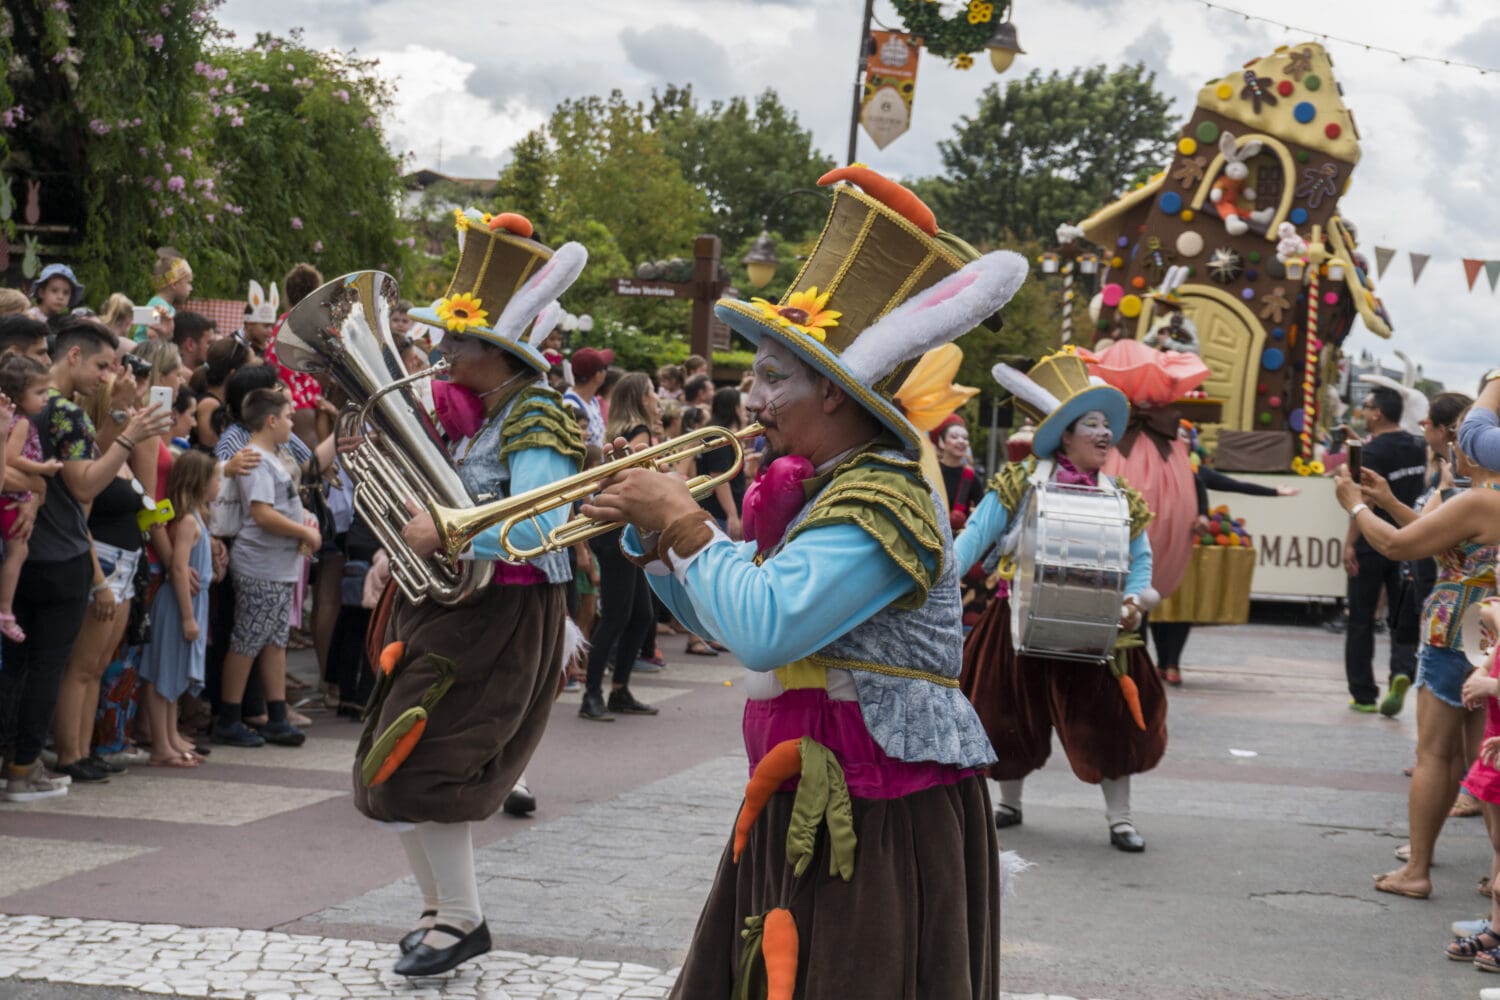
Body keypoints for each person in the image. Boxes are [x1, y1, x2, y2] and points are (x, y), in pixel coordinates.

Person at [584, 170, 1023, 998]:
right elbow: (737, 610)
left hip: (879, 810)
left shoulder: (881, 494)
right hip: (807, 796)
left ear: (833, 388)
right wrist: (655, 544)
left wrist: (686, 525)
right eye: (752, 378)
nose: (750, 399)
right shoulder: (827, 488)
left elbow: (765, 629)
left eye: (771, 378)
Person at [351, 209, 587, 978]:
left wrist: (446, 535)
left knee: (431, 761)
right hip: (456, 606)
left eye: (454, 339)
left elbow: (543, 523)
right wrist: (400, 546)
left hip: (505, 614)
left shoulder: (538, 416)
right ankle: (439, 911)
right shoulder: (486, 418)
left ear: (499, 349)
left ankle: (461, 919)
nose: (440, 350)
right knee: (390, 762)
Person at [956, 351, 1164, 852]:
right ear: (1065, 435)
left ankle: (1121, 818)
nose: (1103, 433)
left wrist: (1135, 600)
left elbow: (1140, 560)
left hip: (1100, 626)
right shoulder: (1020, 483)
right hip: (1017, 618)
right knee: (999, 713)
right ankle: (1009, 802)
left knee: (1112, 719)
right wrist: (933, 582)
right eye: (1091, 424)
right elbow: (973, 539)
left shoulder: (1121, 497)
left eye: (1107, 425)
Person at [0, 318, 170, 801]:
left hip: (23, 550)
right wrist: (129, 437)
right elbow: (85, 483)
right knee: (46, 668)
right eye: (100, 365)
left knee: (14, 666)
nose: (105, 375)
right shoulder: (63, 411)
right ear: (71, 357)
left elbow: (69, 465)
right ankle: (24, 769)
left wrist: (117, 418)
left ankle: (11, 758)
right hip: (61, 557)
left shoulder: (20, 401)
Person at [1336, 418, 1500, 901]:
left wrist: (1357, 506)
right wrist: (1386, 500)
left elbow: (1395, 546)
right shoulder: (1484, 505)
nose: (1452, 454)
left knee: (1434, 755)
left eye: (1459, 445)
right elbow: (1439, 537)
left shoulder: (1477, 499)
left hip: (1456, 630)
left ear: (1472, 455)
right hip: (1491, 636)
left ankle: (1418, 870)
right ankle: (1496, 871)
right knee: (1484, 758)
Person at [213, 388, 319, 748]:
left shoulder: (270, 456)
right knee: (247, 640)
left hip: (278, 564)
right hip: (261, 564)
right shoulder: (256, 459)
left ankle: (276, 714)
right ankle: (229, 716)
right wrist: (302, 530)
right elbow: (261, 513)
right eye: (289, 416)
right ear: (271, 420)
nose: (292, 422)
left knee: (274, 641)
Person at [579, 372, 663, 719]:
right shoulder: (640, 434)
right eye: (653, 392)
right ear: (642, 398)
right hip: (621, 532)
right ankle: (592, 695)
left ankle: (619, 690)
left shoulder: (619, 432)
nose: (658, 397)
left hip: (618, 530)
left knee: (641, 615)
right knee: (616, 616)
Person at [1344, 385, 1428, 711]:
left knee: (1361, 619)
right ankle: (1402, 671)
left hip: (1371, 540)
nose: (1364, 412)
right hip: (1409, 539)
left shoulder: (1374, 453)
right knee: (1400, 616)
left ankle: (1363, 694)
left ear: (1377, 413)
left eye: (1366, 406)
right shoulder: (1416, 446)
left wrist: (1350, 542)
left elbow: (1363, 501)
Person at [138, 451, 218, 767]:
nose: (219, 486)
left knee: (174, 675)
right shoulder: (186, 520)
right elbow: (179, 569)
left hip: (190, 603)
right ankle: (161, 744)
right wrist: (187, 616)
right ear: (200, 483)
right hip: (177, 606)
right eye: (216, 479)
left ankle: (170, 736)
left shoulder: (197, 517)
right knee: (163, 675)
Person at [0, 355, 62, 642]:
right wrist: (43, 471)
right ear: (17, 394)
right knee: (18, 552)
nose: (46, 398)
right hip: (12, 499)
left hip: (17, 495)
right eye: (39, 392)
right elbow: (11, 459)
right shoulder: (20, 422)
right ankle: (5, 612)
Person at [560, 346, 612, 451]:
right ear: (597, 375)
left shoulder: (592, 401)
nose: (606, 372)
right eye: (604, 368)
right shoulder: (569, 405)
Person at [932, 413, 978, 529]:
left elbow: (981, 510)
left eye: (965, 438)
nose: (961, 441)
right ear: (941, 442)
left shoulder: (970, 475)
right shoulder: (930, 472)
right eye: (954, 437)